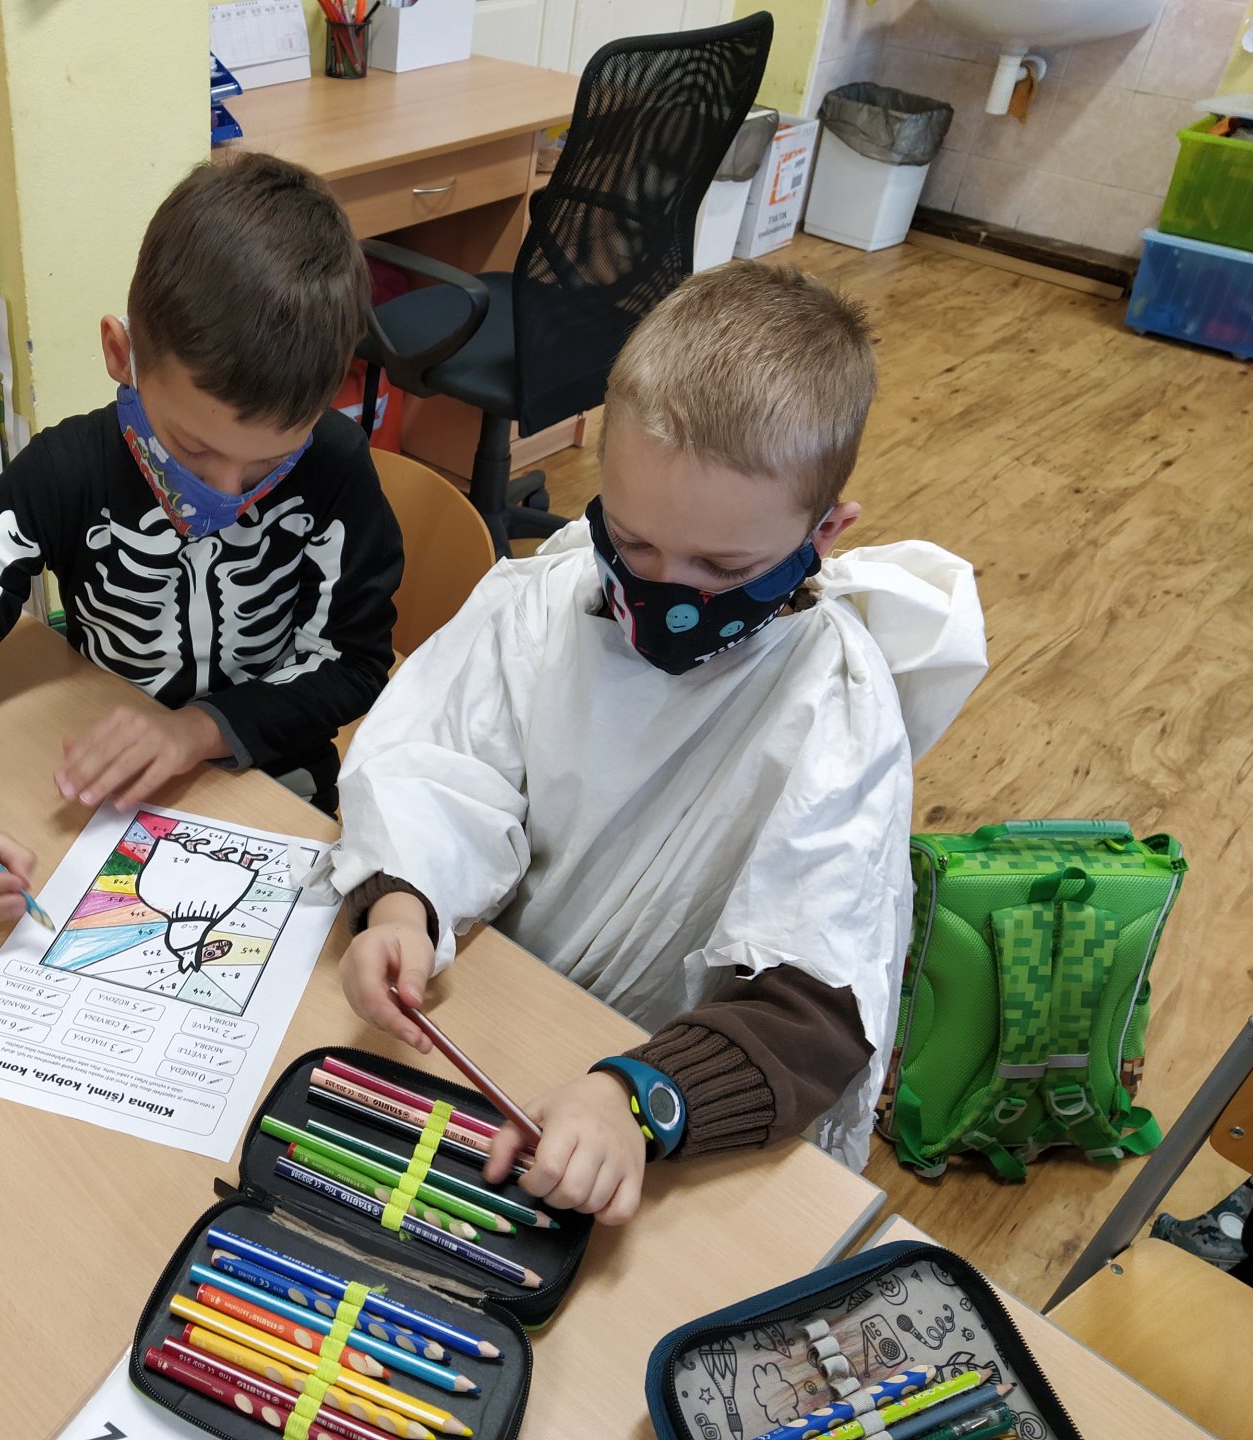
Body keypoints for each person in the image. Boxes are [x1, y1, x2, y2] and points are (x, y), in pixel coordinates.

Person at [325, 262, 988, 1223]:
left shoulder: (834, 711)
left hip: (666, 1119)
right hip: (490, 1029)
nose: (665, 592)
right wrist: (403, 905)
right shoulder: (545, 604)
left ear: (826, 531)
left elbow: (812, 1012)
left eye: (720, 565)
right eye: (634, 543)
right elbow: (437, 766)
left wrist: (639, 1099)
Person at [0, 152, 402, 929]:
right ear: (121, 354)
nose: (227, 495)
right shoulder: (65, 473)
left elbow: (355, 662)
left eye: (270, 464)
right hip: (100, 808)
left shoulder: (335, 466)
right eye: (194, 450)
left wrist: (197, 730)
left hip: (284, 795)